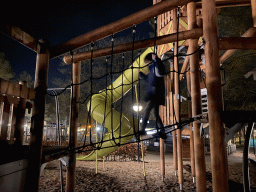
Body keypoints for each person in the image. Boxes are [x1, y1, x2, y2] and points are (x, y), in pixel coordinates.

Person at [138, 52, 166, 139]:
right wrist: (141, 74)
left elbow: (161, 70)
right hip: (154, 94)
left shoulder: (155, 67)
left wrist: (156, 59)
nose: (146, 65)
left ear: (150, 61)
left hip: (155, 94)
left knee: (147, 110)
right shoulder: (151, 70)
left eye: (147, 63)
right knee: (155, 113)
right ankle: (162, 131)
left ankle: (142, 129)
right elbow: (149, 80)